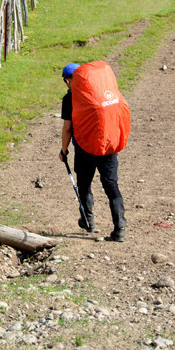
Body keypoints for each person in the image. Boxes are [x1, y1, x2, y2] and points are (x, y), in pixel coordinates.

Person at [59, 63, 127, 241]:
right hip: (108, 146)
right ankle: (120, 228)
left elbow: (67, 129)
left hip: (84, 148)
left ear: (68, 80)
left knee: (84, 184)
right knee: (112, 186)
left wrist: (63, 150)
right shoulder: (102, 94)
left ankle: (89, 221)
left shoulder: (70, 99)